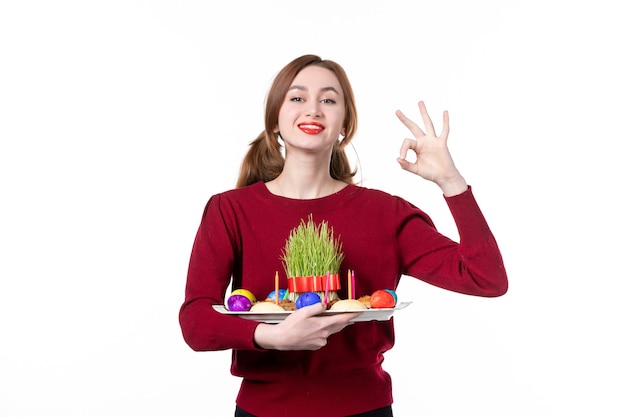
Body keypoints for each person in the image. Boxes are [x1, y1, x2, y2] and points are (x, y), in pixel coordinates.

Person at [179, 54, 508, 417]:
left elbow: (486, 278)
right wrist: (271, 337)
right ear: (275, 119)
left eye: (329, 100)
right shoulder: (230, 210)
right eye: (298, 97)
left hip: (364, 409)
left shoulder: (386, 213)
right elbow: (195, 321)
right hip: (262, 411)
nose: (314, 109)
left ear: (345, 124)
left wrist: (451, 182)